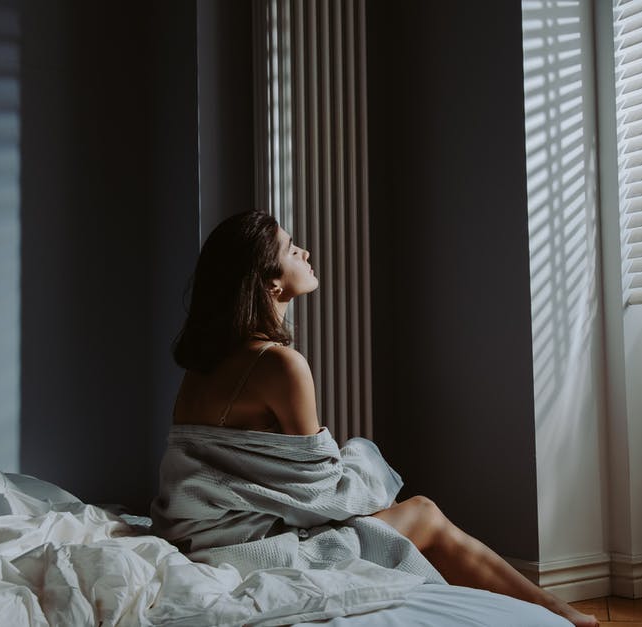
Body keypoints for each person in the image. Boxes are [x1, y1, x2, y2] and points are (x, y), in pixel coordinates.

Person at [158, 210, 598, 627]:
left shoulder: (200, 370)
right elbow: (322, 491)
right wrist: (366, 465)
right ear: (271, 282)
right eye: (292, 250)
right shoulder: (280, 365)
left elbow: (260, 482)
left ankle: (555, 608)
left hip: (207, 542)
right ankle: (557, 611)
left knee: (398, 506)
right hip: (255, 554)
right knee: (422, 513)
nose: (306, 254)